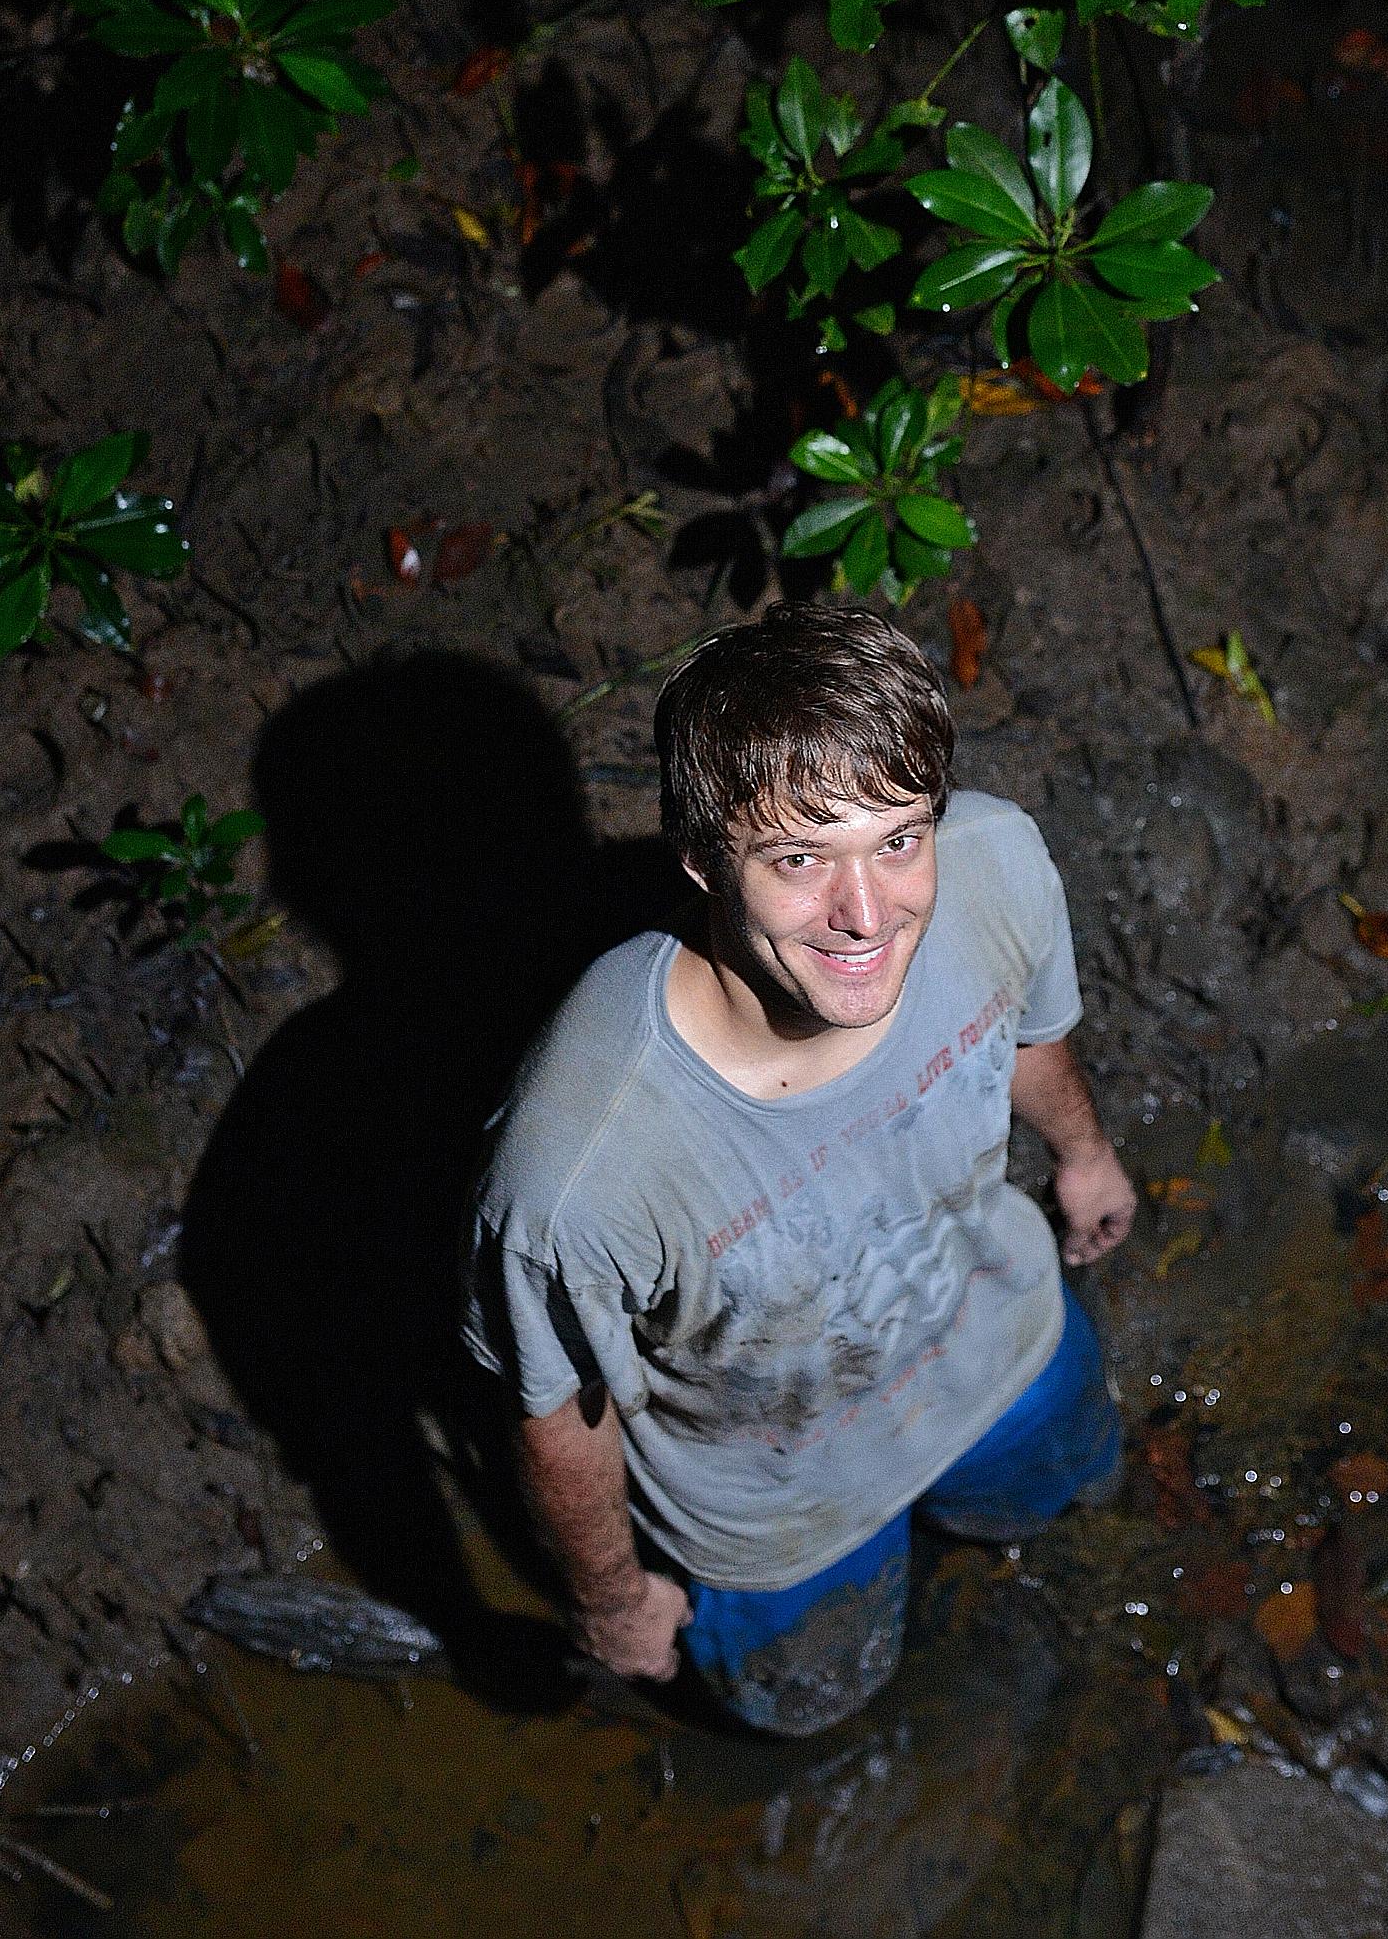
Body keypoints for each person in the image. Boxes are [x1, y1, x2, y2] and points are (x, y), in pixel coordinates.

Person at [463, 601, 1138, 1734]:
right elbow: (557, 1411)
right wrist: (612, 1595)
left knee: (1064, 1502)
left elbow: (1024, 1027)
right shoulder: (574, 1173)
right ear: (697, 859)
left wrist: (1084, 1152)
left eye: (896, 839)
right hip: (771, 1511)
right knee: (815, 1700)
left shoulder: (997, 860)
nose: (866, 913)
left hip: (1000, 1341)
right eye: (797, 858)